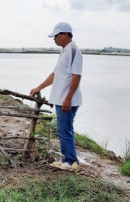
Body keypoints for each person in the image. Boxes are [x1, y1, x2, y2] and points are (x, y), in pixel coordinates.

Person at [30, 22, 83, 171]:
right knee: (64, 129)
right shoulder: (64, 51)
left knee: (63, 129)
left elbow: (76, 76)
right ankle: (67, 159)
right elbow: (54, 75)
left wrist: (68, 98)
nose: (54, 39)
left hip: (67, 99)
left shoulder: (73, 50)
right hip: (62, 98)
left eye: (56, 36)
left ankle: (71, 161)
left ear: (65, 34)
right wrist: (39, 87)